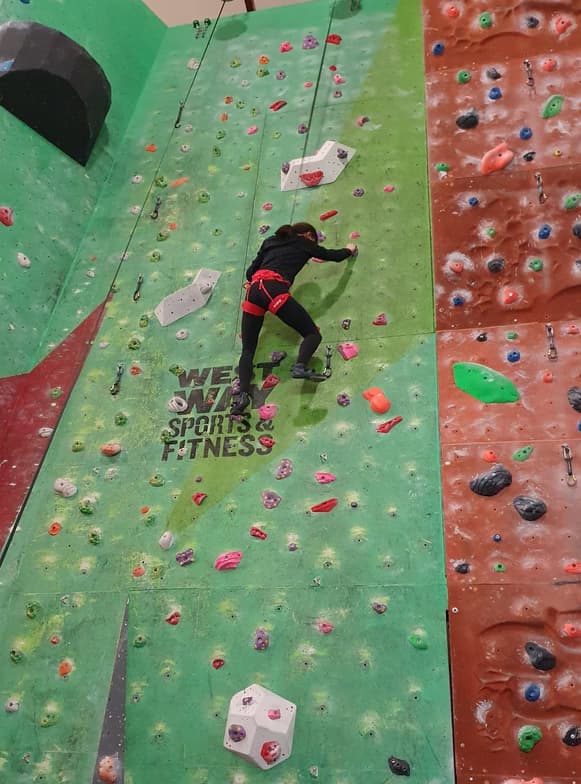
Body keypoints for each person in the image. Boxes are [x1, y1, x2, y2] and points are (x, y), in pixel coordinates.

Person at [230, 222, 358, 416]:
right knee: (312, 334)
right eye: (313, 239)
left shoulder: (270, 241)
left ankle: (242, 396)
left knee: (248, 350)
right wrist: (349, 249)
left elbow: (249, 273)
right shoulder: (304, 243)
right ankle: (300, 366)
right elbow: (331, 255)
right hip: (273, 288)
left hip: (253, 291)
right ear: (307, 235)